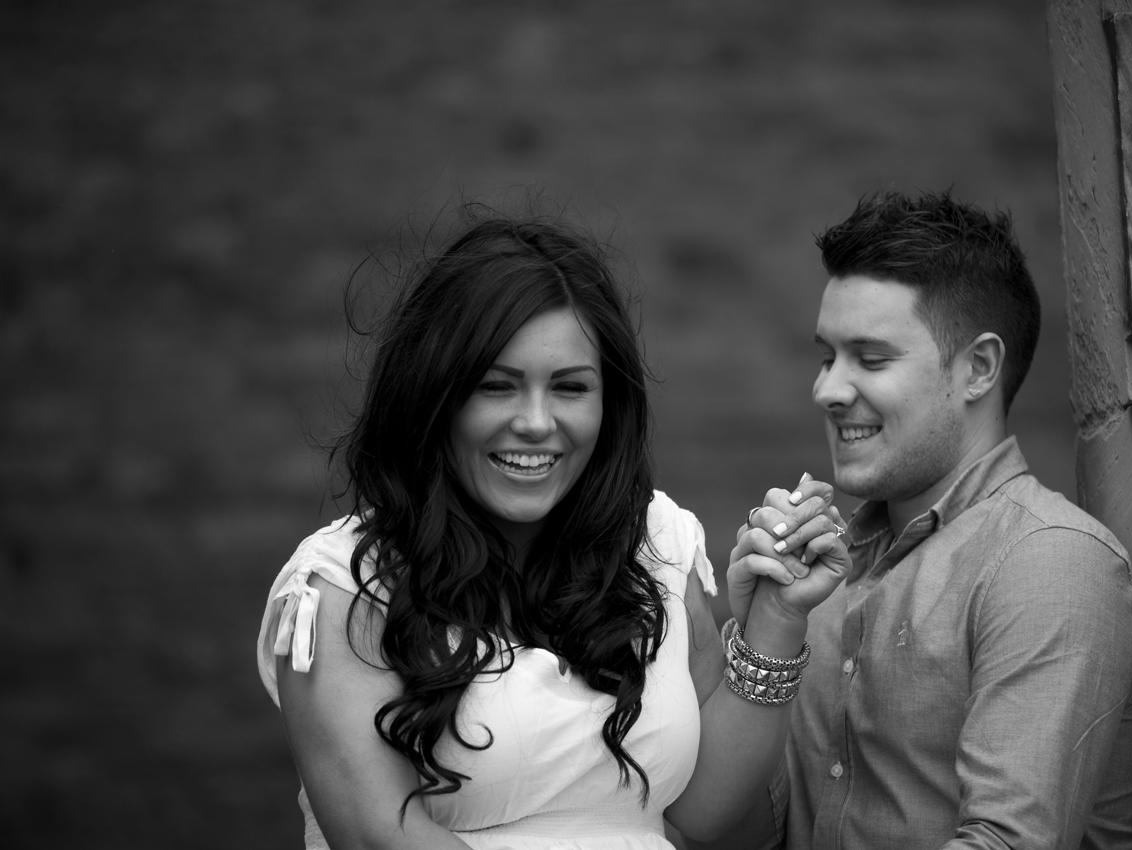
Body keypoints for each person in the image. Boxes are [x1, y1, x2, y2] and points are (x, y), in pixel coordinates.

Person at [254, 211, 850, 850]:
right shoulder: (343, 584)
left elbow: (703, 815)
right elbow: (379, 836)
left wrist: (776, 622)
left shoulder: (656, 542)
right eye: (496, 386)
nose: (537, 423)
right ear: (433, 396)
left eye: (569, 388)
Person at [705, 191, 1132, 849]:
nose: (826, 389)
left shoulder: (1049, 562)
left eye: (870, 358)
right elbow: (740, 837)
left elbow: (1005, 842)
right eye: (827, 357)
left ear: (978, 369)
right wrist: (766, 633)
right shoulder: (818, 581)